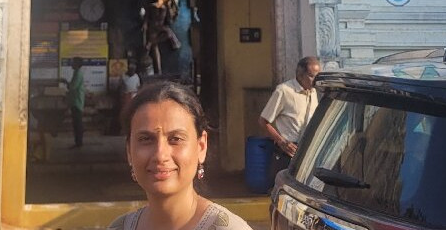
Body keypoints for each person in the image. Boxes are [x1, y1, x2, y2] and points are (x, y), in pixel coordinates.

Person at [112, 81, 252, 230]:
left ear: (201, 146)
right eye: (146, 139)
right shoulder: (120, 227)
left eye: (176, 139)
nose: (160, 155)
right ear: (129, 151)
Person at [259, 56, 321, 178]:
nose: (315, 81)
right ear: (300, 74)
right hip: (287, 152)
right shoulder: (284, 91)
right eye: (312, 76)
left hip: (307, 151)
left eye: (318, 76)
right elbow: (263, 120)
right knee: (284, 192)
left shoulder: (313, 92)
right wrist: (281, 141)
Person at [68, 56, 86, 148]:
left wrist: (67, 84)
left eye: (73, 62)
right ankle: (78, 141)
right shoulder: (76, 73)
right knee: (76, 123)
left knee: (77, 123)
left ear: (77, 64)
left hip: (77, 101)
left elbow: (73, 86)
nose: (71, 64)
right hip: (75, 100)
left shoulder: (78, 73)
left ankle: (79, 142)